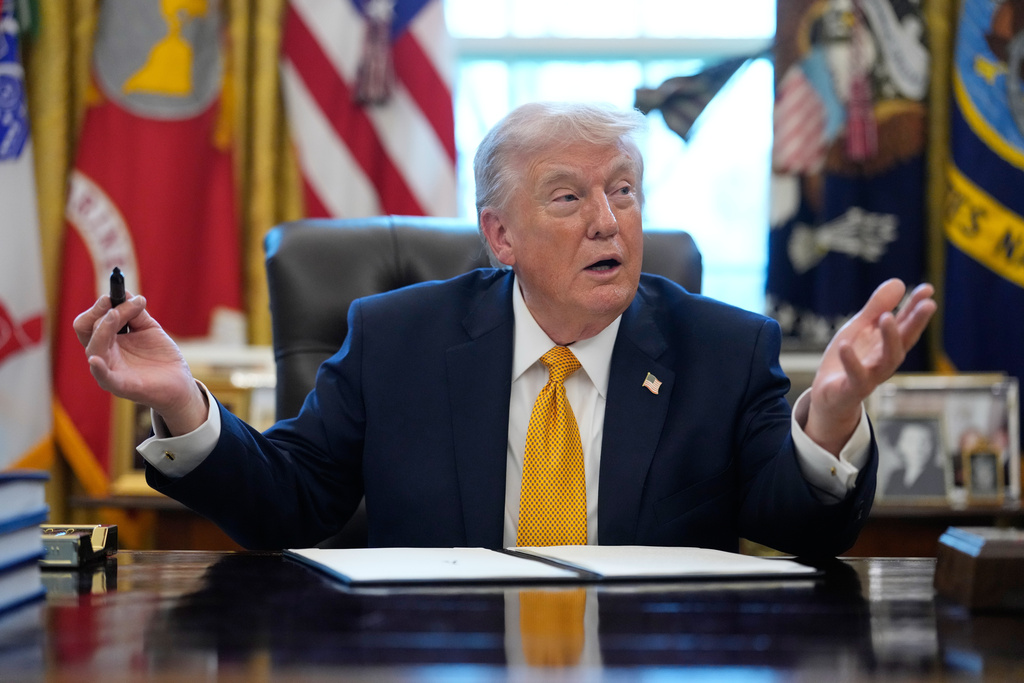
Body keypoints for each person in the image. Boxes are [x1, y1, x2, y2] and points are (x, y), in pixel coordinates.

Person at [74, 102, 936, 556]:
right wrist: (184, 403)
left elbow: (805, 527)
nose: (609, 222)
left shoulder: (722, 347)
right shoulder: (396, 338)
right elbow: (290, 505)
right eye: (569, 197)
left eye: (625, 191)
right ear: (500, 235)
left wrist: (829, 415)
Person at [882, 420, 946, 498]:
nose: (918, 449)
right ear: (899, 446)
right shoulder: (896, 476)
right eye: (911, 441)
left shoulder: (940, 476)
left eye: (924, 441)